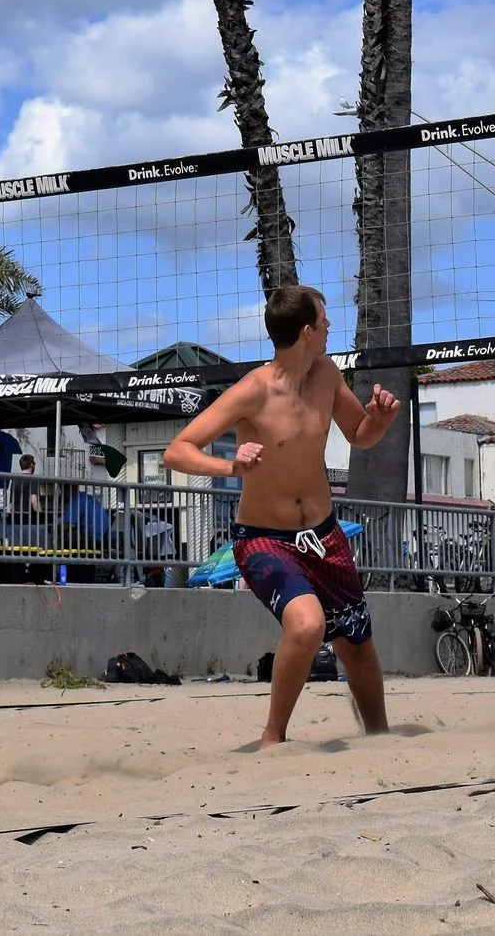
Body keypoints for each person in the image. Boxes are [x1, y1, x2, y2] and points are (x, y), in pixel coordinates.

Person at [164, 284, 399, 747]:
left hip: (324, 535)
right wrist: (230, 465)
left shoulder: (327, 374)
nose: (331, 328)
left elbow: (359, 435)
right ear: (308, 331)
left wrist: (381, 419)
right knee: (308, 625)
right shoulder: (254, 390)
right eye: (326, 322)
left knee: (358, 648)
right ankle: (274, 740)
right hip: (264, 539)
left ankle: (380, 739)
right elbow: (177, 451)